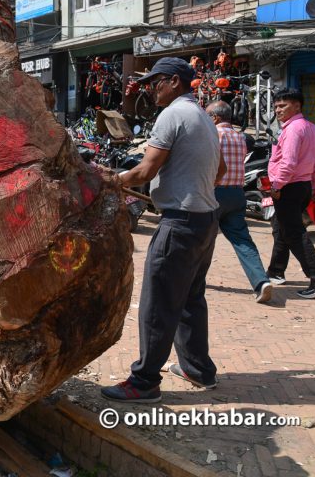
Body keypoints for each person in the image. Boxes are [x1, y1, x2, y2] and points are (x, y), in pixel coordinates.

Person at [100, 57, 223, 403]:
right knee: (190, 299)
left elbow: (144, 171)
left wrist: (110, 180)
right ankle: (198, 370)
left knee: (158, 304)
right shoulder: (204, 117)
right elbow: (221, 169)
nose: (152, 88)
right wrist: (188, 185)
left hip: (180, 224)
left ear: (174, 82)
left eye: (157, 82)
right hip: (206, 219)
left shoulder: (172, 115)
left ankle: (145, 382)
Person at [266, 88, 315, 299]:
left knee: (293, 233)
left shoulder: (293, 129)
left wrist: (276, 186)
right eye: (276, 106)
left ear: (297, 106)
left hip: (289, 187)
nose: (278, 110)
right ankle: (276, 271)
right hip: (302, 186)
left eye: (283, 106)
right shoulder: (311, 128)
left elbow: (288, 162)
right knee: (282, 228)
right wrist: (314, 186)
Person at [205, 101, 273, 303]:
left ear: (215, 118)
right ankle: (261, 281)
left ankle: (193, 279)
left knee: (203, 239)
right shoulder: (240, 137)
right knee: (243, 240)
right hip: (237, 193)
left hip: (215, 193)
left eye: (207, 116)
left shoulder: (213, 134)